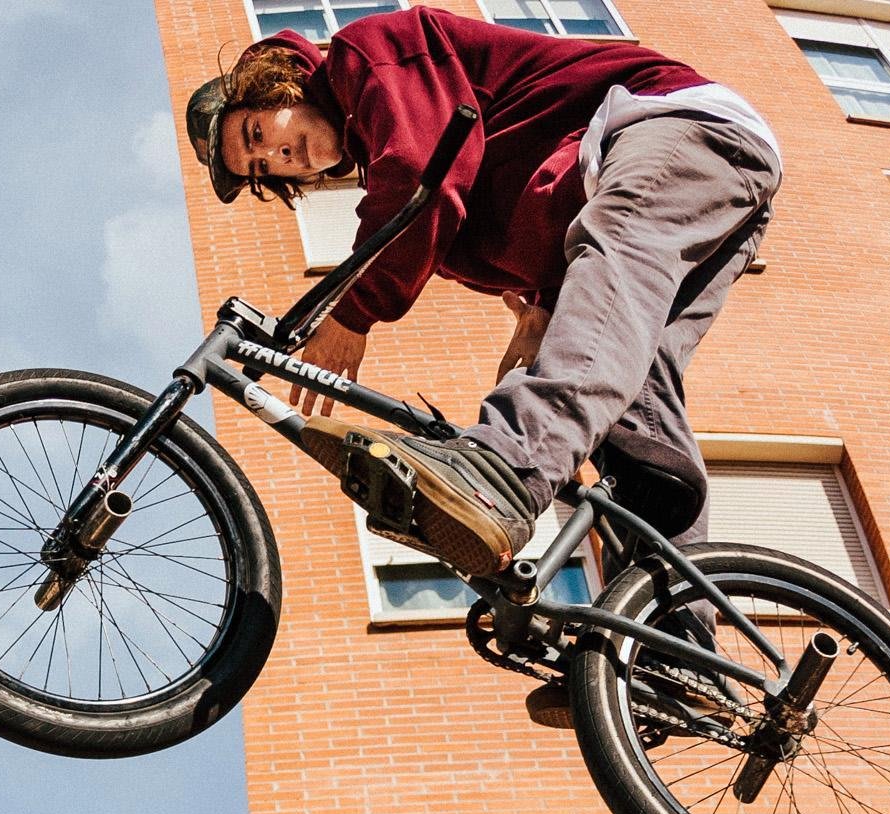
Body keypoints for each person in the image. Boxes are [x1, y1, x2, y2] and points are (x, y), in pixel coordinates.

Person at [184, 11, 783, 585]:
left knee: (566, 388)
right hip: (717, 188)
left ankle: (505, 470)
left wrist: (353, 313)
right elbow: (524, 215)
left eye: (259, 133)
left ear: (278, 84)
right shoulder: (404, 189)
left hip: (675, 132)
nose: (279, 157)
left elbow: (427, 174)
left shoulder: (369, 55)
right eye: (264, 166)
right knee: (637, 420)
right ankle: (672, 643)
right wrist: (538, 311)